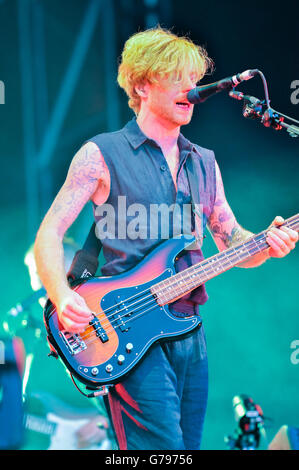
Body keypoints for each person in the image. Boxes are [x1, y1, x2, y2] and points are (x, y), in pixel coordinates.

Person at [34, 27, 298, 450]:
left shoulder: (204, 163)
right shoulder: (100, 154)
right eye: (177, 78)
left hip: (189, 332)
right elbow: (49, 234)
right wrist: (63, 297)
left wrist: (269, 243)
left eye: (193, 80)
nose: (191, 89)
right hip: (124, 329)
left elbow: (233, 242)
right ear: (141, 84)